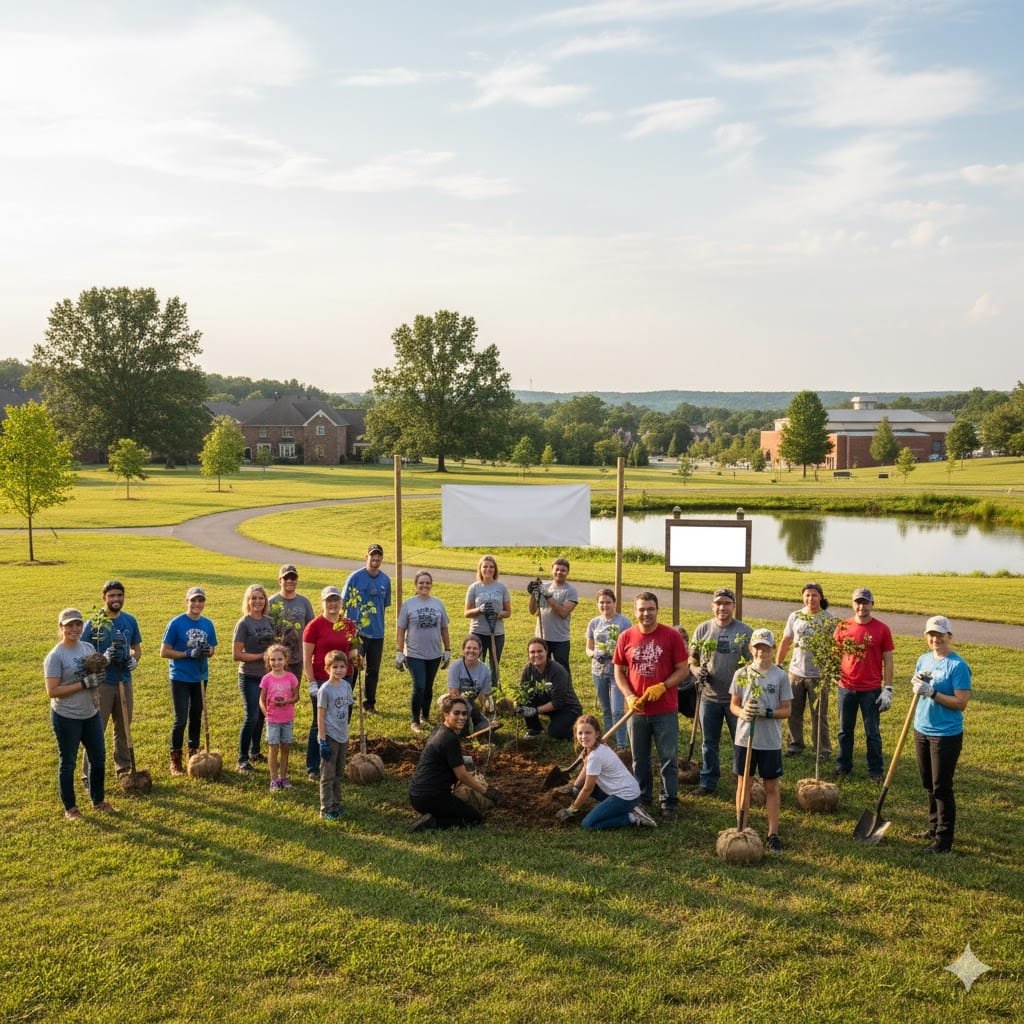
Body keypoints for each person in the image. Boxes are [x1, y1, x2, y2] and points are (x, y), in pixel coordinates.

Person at [613, 592, 690, 821]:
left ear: (657, 610)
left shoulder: (671, 636)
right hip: (636, 710)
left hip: (664, 709)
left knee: (668, 757)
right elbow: (619, 670)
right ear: (635, 611)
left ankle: (669, 801)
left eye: (650, 609)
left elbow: (683, 669)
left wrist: (663, 686)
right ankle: (643, 797)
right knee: (640, 758)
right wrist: (627, 695)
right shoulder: (626, 637)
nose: (646, 613)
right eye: (641, 609)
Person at [911, 616, 972, 854]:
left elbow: (961, 702)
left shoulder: (957, 666)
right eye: (931, 634)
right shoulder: (923, 659)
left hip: (945, 735)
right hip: (921, 728)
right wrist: (917, 684)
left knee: (941, 786)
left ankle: (943, 840)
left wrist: (932, 692)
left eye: (939, 635)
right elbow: (919, 685)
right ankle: (933, 827)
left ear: (950, 636)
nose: (935, 639)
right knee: (928, 782)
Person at [45, 608, 114, 820]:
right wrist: (82, 684)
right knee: (68, 762)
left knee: (98, 758)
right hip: (67, 716)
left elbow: (94, 673)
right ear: (61, 628)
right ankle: (71, 808)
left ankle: (98, 800)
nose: (74, 629)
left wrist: (99, 675)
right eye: (69, 625)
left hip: (90, 713)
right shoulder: (56, 656)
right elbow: (52, 691)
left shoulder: (88, 647)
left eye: (77, 625)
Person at [730, 628, 793, 853]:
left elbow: (786, 710)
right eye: (757, 647)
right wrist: (743, 712)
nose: (761, 651)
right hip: (745, 738)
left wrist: (767, 713)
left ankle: (772, 833)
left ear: (772, 649)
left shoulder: (780, 676)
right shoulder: (742, 674)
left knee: (771, 786)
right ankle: (741, 828)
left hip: (769, 741)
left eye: (765, 647)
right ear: (750, 648)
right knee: (743, 784)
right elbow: (734, 704)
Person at [689, 588, 753, 796]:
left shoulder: (744, 632)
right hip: (708, 697)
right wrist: (696, 669)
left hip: (737, 699)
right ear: (712, 606)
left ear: (733, 606)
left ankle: (743, 780)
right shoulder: (703, 629)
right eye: (718, 603)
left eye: (726, 603)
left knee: (740, 741)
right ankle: (708, 781)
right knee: (709, 743)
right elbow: (692, 658)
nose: (722, 607)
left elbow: (752, 663)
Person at [81, 579, 142, 783]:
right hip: (103, 684)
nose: (116, 599)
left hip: (124, 680)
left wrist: (133, 658)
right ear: (104, 598)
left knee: (124, 727)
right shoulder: (95, 623)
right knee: (97, 728)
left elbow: (136, 647)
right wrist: (104, 658)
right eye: (112, 596)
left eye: (119, 595)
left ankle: (123, 769)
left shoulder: (130, 621)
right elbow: (84, 656)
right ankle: (88, 774)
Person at [834, 587, 895, 783]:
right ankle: (843, 766)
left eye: (865, 602)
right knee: (845, 730)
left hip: (871, 690)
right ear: (853, 604)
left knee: (872, 732)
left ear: (872, 605)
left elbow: (888, 660)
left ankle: (875, 771)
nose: (861, 606)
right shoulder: (843, 627)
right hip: (846, 687)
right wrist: (837, 677)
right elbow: (834, 655)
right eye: (858, 602)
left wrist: (888, 688)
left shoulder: (882, 629)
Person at [555, 714, 658, 830]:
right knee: (583, 788)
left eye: (588, 732)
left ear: (597, 734)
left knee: (588, 824)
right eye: (580, 733)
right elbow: (583, 780)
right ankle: (629, 808)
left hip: (626, 797)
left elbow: (588, 788)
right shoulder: (598, 746)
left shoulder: (595, 756)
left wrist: (571, 809)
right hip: (627, 791)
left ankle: (632, 817)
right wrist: (575, 787)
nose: (583, 736)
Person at [408, 694, 490, 831]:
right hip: (431, 797)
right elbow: (462, 775)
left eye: (464, 713)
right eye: (456, 713)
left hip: (416, 795)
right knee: (475, 818)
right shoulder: (450, 739)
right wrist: (486, 791)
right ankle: (433, 823)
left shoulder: (439, 730)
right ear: (446, 714)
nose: (462, 717)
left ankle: (433, 816)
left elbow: (445, 758)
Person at [160, 586, 217, 777]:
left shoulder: (208, 624)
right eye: (193, 600)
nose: (197, 604)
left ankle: (193, 756)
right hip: (180, 677)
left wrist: (206, 651)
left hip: (200, 676)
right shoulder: (176, 623)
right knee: (181, 718)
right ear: (187, 601)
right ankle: (175, 760)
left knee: (196, 716)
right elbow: (164, 651)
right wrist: (187, 653)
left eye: (200, 600)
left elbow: (212, 650)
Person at [303, 586, 358, 780]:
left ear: (341, 603)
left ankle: (336, 762)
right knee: (320, 722)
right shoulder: (314, 626)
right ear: (323, 602)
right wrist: (311, 682)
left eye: (336, 600)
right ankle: (313, 765)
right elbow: (307, 657)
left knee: (342, 719)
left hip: (346, 678)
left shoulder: (349, 624)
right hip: (322, 679)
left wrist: (356, 658)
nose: (333, 604)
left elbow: (351, 650)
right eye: (329, 601)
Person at [776, 582, 834, 759]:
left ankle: (822, 750)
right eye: (807, 595)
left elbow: (835, 647)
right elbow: (786, 640)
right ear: (803, 597)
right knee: (793, 712)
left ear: (821, 597)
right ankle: (795, 745)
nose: (811, 598)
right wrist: (778, 663)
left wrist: (830, 669)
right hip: (796, 673)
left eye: (814, 595)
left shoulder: (828, 619)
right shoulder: (795, 616)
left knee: (819, 715)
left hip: (819, 675)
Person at [396, 571, 451, 734]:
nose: (424, 585)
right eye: (421, 583)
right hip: (414, 654)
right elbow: (401, 630)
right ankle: (415, 721)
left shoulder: (438, 604)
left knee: (428, 687)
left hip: (434, 653)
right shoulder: (409, 605)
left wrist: (447, 649)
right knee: (419, 685)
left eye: (427, 582)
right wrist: (399, 651)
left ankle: (425, 716)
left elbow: (444, 628)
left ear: (431, 584)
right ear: (416, 584)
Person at [342, 544, 391, 714]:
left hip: (378, 633)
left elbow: (384, 605)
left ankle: (369, 703)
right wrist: (347, 628)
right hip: (358, 633)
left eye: (378, 557)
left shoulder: (385, 580)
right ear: (366, 557)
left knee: (373, 670)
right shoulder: (355, 577)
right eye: (373, 556)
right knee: (353, 667)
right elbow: (344, 602)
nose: (375, 559)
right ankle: (347, 699)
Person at [233, 583, 276, 774]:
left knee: (261, 716)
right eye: (253, 598)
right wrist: (261, 656)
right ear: (248, 601)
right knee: (251, 715)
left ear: (265, 601)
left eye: (261, 598)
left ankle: (255, 751)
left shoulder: (269, 621)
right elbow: (237, 654)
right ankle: (242, 759)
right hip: (249, 675)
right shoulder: (244, 623)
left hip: (266, 676)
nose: (257, 601)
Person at [585, 588, 632, 751]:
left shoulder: (624, 622)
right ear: (597, 604)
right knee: (606, 709)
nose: (605, 605)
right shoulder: (594, 623)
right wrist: (594, 654)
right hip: (598, 670)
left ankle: (622, 745)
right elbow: (588, 648)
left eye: (608, 602)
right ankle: (608, 741)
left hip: (617, 672)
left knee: (617, 709)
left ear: (614, 603)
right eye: (601, 602)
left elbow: (631, 647)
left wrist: (619, 655)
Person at [515, 638, 583, 740]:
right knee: (524, 700)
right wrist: (517, 705)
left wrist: (535, 711)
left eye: (539, 651)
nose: (536, 655)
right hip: (547, 702)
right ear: (528, 654)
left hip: (567, 708)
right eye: (532, 652)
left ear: (546, 652)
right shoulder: (528, 669)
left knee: (555, 732)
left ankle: (576, 728)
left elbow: (558, 702)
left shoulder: (557, 671)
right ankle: (535, 730)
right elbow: (522, 692)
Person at [317, 650, 354, 820]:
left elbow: (348, 708)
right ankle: (326, 808)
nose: (339, 670)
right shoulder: (325, 690)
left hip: (342, 735)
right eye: (335, 667)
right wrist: (323, 739)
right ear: (327, 669)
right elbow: (321, 716)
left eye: (342, 667)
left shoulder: (346, 686)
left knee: (339, 773)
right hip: (330, 736)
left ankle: (337, 803)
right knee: (327, 774)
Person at [527, 556, 578, 680]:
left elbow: (563, 612)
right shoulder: (544, 586)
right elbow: (532, 610)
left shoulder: (570, 591)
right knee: (540, 668)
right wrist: (534, 594)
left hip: (560, 638)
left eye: (563, 570)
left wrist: (547, 595)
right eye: (557, 569)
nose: (559, 572)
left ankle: (565, 695)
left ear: (567, 573)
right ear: (552, 570)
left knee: (562, 669)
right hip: (542, 637)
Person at [269, 564, 315, 694]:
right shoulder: (271, 602)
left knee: (292, 694)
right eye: (286, 578)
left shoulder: (304, 602)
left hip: (297, 658)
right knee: (275, 694)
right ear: (280, 581)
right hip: (276, 660)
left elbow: (311, 629)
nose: (290, 581)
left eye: (293, 578)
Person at [463, 554, 511, 679]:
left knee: (494, 665)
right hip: (477, 632)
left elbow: (508, 612)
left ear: (495, 570)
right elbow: (466, 613)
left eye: (491, 567)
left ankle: (494, 693)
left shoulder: (501, 588)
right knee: (476, 665)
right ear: (480, 569)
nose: (488, 569)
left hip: (497, 633)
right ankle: (475, 693)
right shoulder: (474, 588)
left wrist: (496, 614)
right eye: (485, 567)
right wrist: (480, 610)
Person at [259, 643, 300, 791]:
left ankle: (283, 777)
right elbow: (261, 700)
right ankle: (274, 779)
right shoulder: (266, 679)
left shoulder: (291, 677)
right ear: (268, 661)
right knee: (273, 748)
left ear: (286, 660)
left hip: (287, 719)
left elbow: (296, 696)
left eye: (279, 659)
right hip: (272, 720)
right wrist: (266, 715)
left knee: (285, 748)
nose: (276, 663)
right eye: (273, 660)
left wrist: (288, 701)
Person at [446, 635, 497, 736]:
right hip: (456, 700)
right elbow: (454, 693)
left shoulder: (485, 670)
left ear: (480, 650)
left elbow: (484, 695)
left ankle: (478, 729)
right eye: (468, 648)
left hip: (472, 703)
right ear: (463, 650)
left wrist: (484, 711)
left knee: (485, 726)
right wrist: (467, 711)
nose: (471, 651)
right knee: (460, 728)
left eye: (475, 648)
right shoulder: (455, 667)